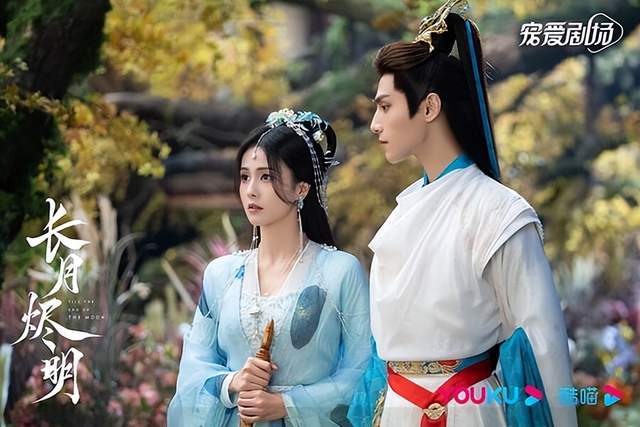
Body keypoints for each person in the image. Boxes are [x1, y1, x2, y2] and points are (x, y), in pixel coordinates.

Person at [348, 1, 578, 426]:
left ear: (429, 107)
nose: (375, 124)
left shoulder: (499, 212)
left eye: (385, 107)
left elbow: (543, 343)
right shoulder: (399, 216)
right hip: (397, 409)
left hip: (471, 410)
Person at [167, 109, 370, 426]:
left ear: (302, 188)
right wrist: (232, 382)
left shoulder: (339, 272)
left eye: (266, 177)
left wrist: (286, 404)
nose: (251, 189)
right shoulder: (221, 275)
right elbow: (194, 368)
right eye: (245, 177)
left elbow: (362, 372)